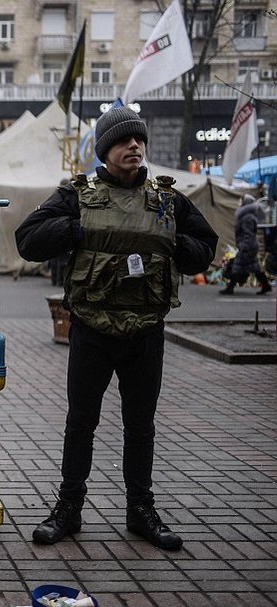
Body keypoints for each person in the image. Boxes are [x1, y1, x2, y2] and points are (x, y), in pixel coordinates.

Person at [15, 107, 218, 551]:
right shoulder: (78, 194)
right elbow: (27, 240)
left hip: (145, 331)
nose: (134, 146)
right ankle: (68, 510)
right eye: (124, 140)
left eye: (139, 140)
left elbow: (204, 249)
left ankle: (140, 511)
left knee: (140, 425)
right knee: (81, 423)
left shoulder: (166, 200)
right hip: (91, 329)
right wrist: (79, 227)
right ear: (105, 149)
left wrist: (167, 239)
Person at [220, 194, 271, 295]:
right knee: (254, 267)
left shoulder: (247, 217)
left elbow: (248, 234)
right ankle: (266, 286)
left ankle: (230, 288)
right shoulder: (248, 216)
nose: (239, 203)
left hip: (247, 246)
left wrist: (244, 246)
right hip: (250, 246)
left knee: (237, 266)